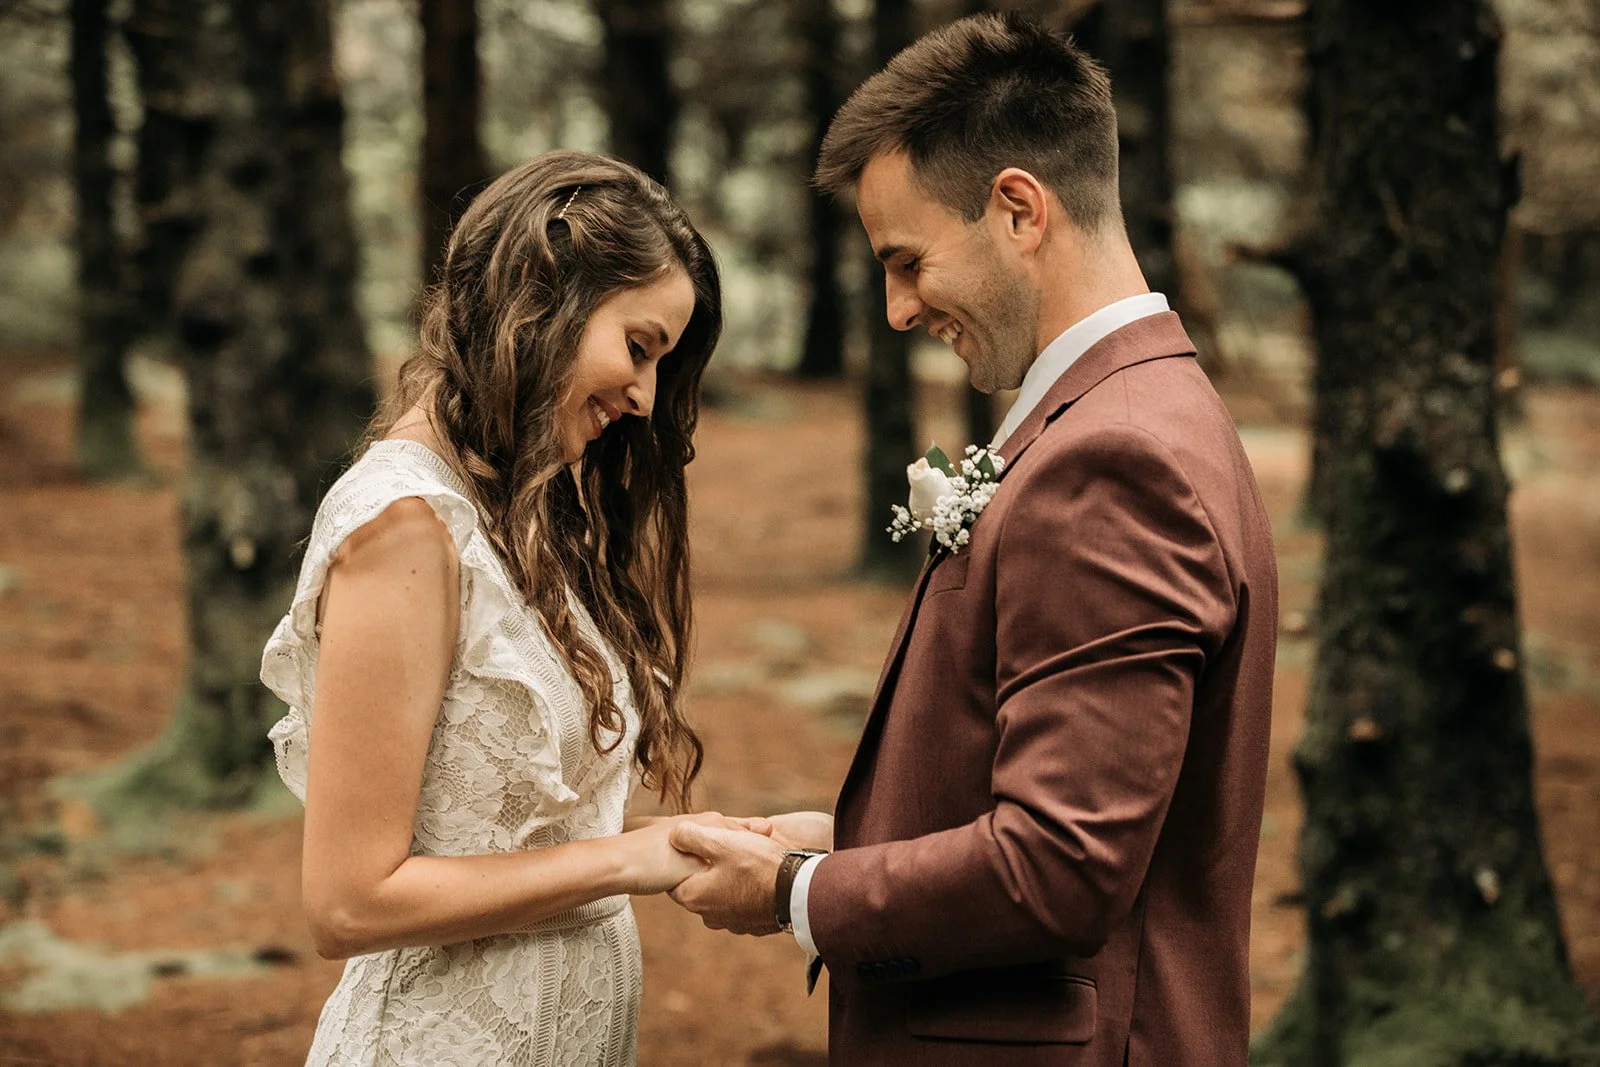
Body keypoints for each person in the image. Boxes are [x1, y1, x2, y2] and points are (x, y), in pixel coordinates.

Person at [668, 14, 1279, 1066]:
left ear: (1016, 210)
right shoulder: (1140, 410)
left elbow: (1057, 865)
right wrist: (846, 840)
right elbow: (1079, 791)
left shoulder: (1112, 463)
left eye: (907, 261)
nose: (898, 309)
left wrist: (796, 894)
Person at [259, 150, 741, 1066]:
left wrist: (675, 838)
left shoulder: (520, 509)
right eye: (638, 347)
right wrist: (625, 862)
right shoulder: (406, 524)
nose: (643, 397)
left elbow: (511, 840)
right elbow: (350, 900)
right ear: (540, 291)